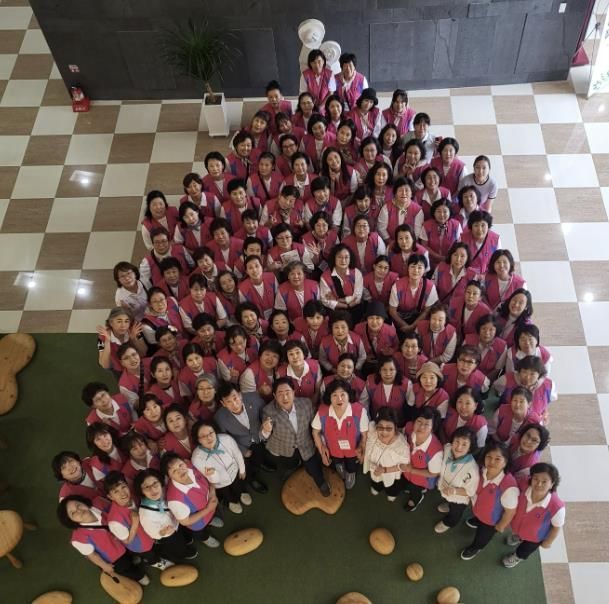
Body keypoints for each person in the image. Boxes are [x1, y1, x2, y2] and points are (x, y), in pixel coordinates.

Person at [261, 377, 331, 496]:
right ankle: (292, 467)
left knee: (313, 467)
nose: (285, 397)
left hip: (305, 444)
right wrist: (265, 430)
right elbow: (262, 437)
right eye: (280, 394)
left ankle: (321, 482)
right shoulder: (268, 411)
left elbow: (316, 427)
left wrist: (322, 444)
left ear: (293, 392)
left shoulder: (306, 404)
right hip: (283, 448)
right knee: (289, 463)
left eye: (287, 392)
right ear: (274, 396)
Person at [57, 495, 149, 584]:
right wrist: (104, 566)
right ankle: (139, 576)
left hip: (124, 540)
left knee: (131, 553)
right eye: (73, 513)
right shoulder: (78, 539)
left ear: (83, 502)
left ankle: (133, 559)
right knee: (125, 568)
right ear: (70, 520)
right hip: (115, 558)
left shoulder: (99, 502)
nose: (79, 510)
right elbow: (92, 555)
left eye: (78, 505)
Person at [460, 442, 518, 561]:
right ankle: (478, 520)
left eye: (497, 459)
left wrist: (500, 526)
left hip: (491, 522)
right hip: (479, 510)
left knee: (482, 536)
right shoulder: (482, 470)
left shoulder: (509, 487)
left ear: (505, 462)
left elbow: (510, 512)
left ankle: (476, 547)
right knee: (479, 518)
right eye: (489, 457)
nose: (491, 461)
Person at [104, 471, 173, 570]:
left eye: (123, 487)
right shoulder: (114, 521)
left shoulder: (134, 495)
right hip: (140, 544)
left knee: (156, 547)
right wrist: (134, 524)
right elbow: (127, 541)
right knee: (150, 554)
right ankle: (156, 562)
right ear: (110, 497)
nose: (122, 493)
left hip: (151, 534)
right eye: (116, 492)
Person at [214, 380, 273, 494]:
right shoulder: (219, 417)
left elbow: (265, 412)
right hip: (242, 445)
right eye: (228, 402)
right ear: (223, 403)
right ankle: (252, 479)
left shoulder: (253, 398)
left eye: (235, 398)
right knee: (248, 464)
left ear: (240, 394)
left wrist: (266, 426)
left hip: (259, 435)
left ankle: (262, 462)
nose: (234, 404)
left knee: (261, 452)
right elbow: (225, 440)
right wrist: (242, 450)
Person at [503, 462, 565, 568]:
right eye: (536, 479)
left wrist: (548, 542)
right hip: (518, 526)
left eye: (544, 481)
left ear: (552, 484)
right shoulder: (523, 485)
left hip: (535, 537)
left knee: (525, 549)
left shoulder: (557, 507)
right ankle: (518, 537)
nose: (539, 484)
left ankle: (517, 556)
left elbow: (556, 528)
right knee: (518, 533)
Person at [312, 380, 369, 490]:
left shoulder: (359, 411)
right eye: (334, 395)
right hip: (333, 449)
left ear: (349, 396)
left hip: (353, 450)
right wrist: (322, 449)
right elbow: (315, 432)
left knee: (352, 465)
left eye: (343, 394)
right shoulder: (323, 411)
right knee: (338, 462)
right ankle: (341, 469)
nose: (339, 399)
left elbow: (364, 435)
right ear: (329, 398)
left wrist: (362, 449)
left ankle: (351, 473)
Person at [134, 469, 198, 561]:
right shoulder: (145, 514)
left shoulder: (163, 491)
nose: (153, 489)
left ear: (160, 482)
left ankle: (186, 543)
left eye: (155, 483)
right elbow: (153, 534)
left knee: (182, 537)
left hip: (176, 523)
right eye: (146, 487)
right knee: (178, 547)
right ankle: (183, 554)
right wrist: (163, 532)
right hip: (167, 535)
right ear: (141, 491)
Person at [162, 453, 223, 549]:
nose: (180, 471)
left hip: (211, 506)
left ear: (184, 462)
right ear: (169, 476)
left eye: (180, 465)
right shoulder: (174, 499)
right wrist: (208, 509)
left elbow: (207, 478)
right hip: (198, 523)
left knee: (211, 517)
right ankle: (205, 538)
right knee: (200, 532)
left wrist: (212, 492)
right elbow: (186, 521)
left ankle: (210, 520)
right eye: (174, 471)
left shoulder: (190, 466)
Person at [191, 421, 252, 515]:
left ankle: (241, 493)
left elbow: (237, 454)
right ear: (198, 440)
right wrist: (213, 474)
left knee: (239, 485)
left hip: (235, 472)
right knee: (226, 492)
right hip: (220, 483)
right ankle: (232, 501)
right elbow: (211, 481)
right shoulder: (196, 458)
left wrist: (242, 469)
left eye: (211, 433)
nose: (209, 438)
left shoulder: (226, 439)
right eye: (203, 436)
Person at [434, 426, 479, 534]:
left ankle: (449, 523)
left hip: (459, 498)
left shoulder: (472, 470)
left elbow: (470, 491)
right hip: (445, 489)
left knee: (455, 513)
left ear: (470, 448)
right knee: (449, 502)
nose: (458, 447)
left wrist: (454, 491)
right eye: (457, 441)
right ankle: (449, 505)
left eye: (464, 444)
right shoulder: (447, 448)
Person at [400, 407, 443, 511]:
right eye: (419, 421)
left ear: (432, 428)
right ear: (414, 422)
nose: (421, 426)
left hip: (421, 479)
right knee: (408, 484)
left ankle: (417, 498)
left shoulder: (436, 451)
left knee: (415, 489)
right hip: (407, 471)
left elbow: (433, 473)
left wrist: (411, 470)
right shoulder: (409, 428)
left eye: (427, 424)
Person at [363, 407, 410, 501]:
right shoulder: (373, 433)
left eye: (389, 428)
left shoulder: (401, 446)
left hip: (390, 473)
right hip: (374, 468)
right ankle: (377, 487)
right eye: (380, 427)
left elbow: (405, 466)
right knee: (376, 480)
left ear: (395, 427)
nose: (384, 432)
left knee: (391, 486)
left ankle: (391, 493)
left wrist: (384, 470)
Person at [388, 254, 438, 333]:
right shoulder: (397, 286)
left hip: (420, 321)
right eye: (413, 266)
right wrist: (406, 326)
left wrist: (412, 326)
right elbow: (392, 311)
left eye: (419, 267)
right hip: (401, 322)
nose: (416, 270)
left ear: (424, 270)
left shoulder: (430, 287)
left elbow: (426, 311)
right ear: (408, 268)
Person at [366, 355, 412, 428]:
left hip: (398, 425)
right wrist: (368, 422)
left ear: (396, 370)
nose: (388, 373)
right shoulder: (370, 381)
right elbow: (364, 404)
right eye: (384, 370)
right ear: (379, 371)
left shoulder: (406, 384)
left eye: (391, 370)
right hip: (376, 424)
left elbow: (411, 405)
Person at [96, 307, 146, 374]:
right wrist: (107, 341)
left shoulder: (135, 330)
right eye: (119, 321)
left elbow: (143, 353)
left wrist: (133, 339)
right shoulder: (101, 337)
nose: (123, 325)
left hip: (137, 366)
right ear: (111, 322)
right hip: (119, 370)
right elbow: (105, 365)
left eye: (126, 321)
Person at [463, 314, 507, 382]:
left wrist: (483, 382)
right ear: (479, 329)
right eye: (483, 328)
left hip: (485, 380)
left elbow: (497, 370)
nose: (487, 333)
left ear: (496, 330)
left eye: (491, 330)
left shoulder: (502, 346)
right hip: (465, 375)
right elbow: (462, 361)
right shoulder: (468, 339)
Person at [278, 340, 322, 406]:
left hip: (312, 404)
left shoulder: (315, 366)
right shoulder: (280, 372)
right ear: (287, 357)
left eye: (297, 352)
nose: (295, 357)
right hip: (292, 406)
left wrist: (311, 406)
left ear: (303, 354)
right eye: (291, 354)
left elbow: (317, 391)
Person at [460, 210, 501, 275]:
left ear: (488, 226)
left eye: (483, 225)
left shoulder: (496, 239)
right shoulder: (462, 238)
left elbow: (498, 260)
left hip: (488, 276)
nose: (479, 229)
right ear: (471, 227)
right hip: (467, 275)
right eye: (476, 225)